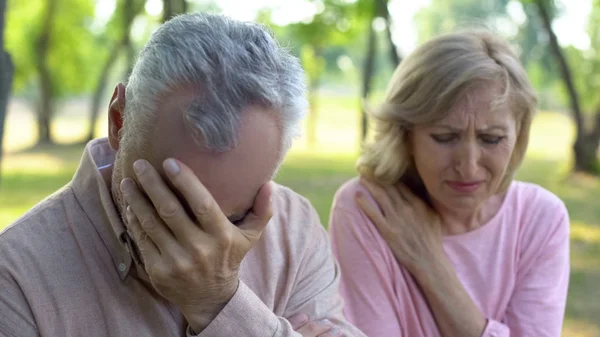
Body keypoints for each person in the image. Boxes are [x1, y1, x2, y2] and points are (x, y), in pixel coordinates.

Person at [0, 13, 366, 337]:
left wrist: (218, 303)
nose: (198, 249)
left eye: (233, 219)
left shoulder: (293, 231)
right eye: (170, 203)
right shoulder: (15, 278)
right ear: (118, 121)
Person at [329, 31, 570, 337]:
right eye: (444, 137)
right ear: (406, 135)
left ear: (518, 135)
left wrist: (431, 264)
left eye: (491, 139)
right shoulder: (368, 208)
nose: (468, 166)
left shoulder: (541, 219)